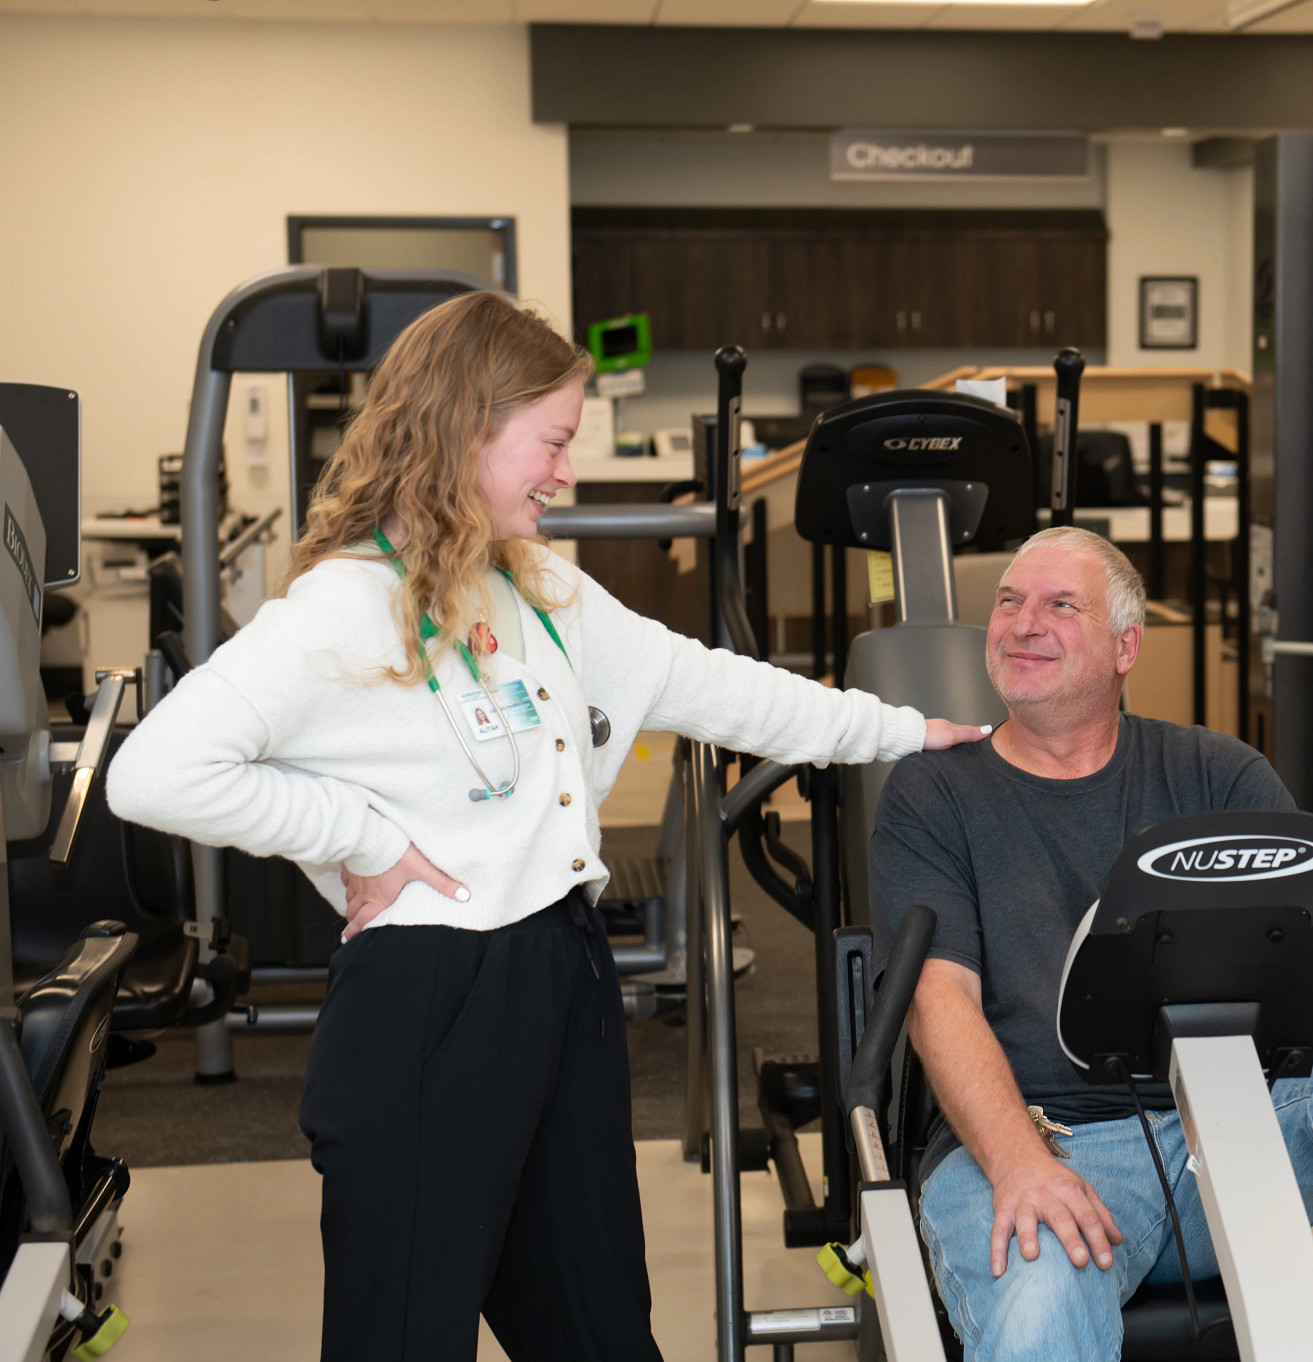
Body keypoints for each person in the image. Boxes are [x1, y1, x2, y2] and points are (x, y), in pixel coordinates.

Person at [105, 291, 989, 1361]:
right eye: (553, 442)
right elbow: (154, 773)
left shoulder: (537, 586)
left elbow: (705, 684)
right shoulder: (343, 608)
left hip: (562, 973)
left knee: (597, 1328)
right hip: (432, 1001)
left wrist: (901, 731)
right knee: (404, 1335)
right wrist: (362, 838)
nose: (565, 471)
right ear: (468, 427)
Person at [871, 526, 1313, 1362]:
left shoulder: (1210, 769)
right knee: (1043, 1302)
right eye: (1009, 602)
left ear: (1125, 647)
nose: (1021, 622)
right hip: (1042, 1141)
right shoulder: (935, 794)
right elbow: (938, 1002)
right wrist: (1018, 1164)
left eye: (1058, 605)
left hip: (1226, 1137)